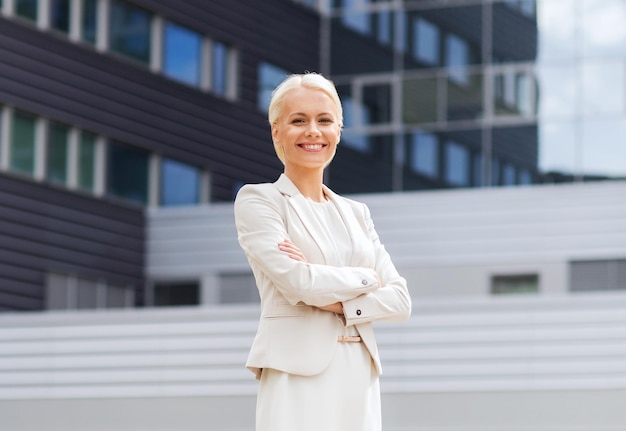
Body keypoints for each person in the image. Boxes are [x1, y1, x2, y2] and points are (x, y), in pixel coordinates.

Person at [234, 72, 411, 431]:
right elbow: (298, 283)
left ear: (338, 131)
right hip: (295, 369)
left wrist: (335, 299)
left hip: (358, 371)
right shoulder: (260, 200)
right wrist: (367, 279)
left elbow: (400, 301)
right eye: (298, 120)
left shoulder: (356, 213)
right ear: (277, 131)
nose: (313, 131)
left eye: (324, 120)